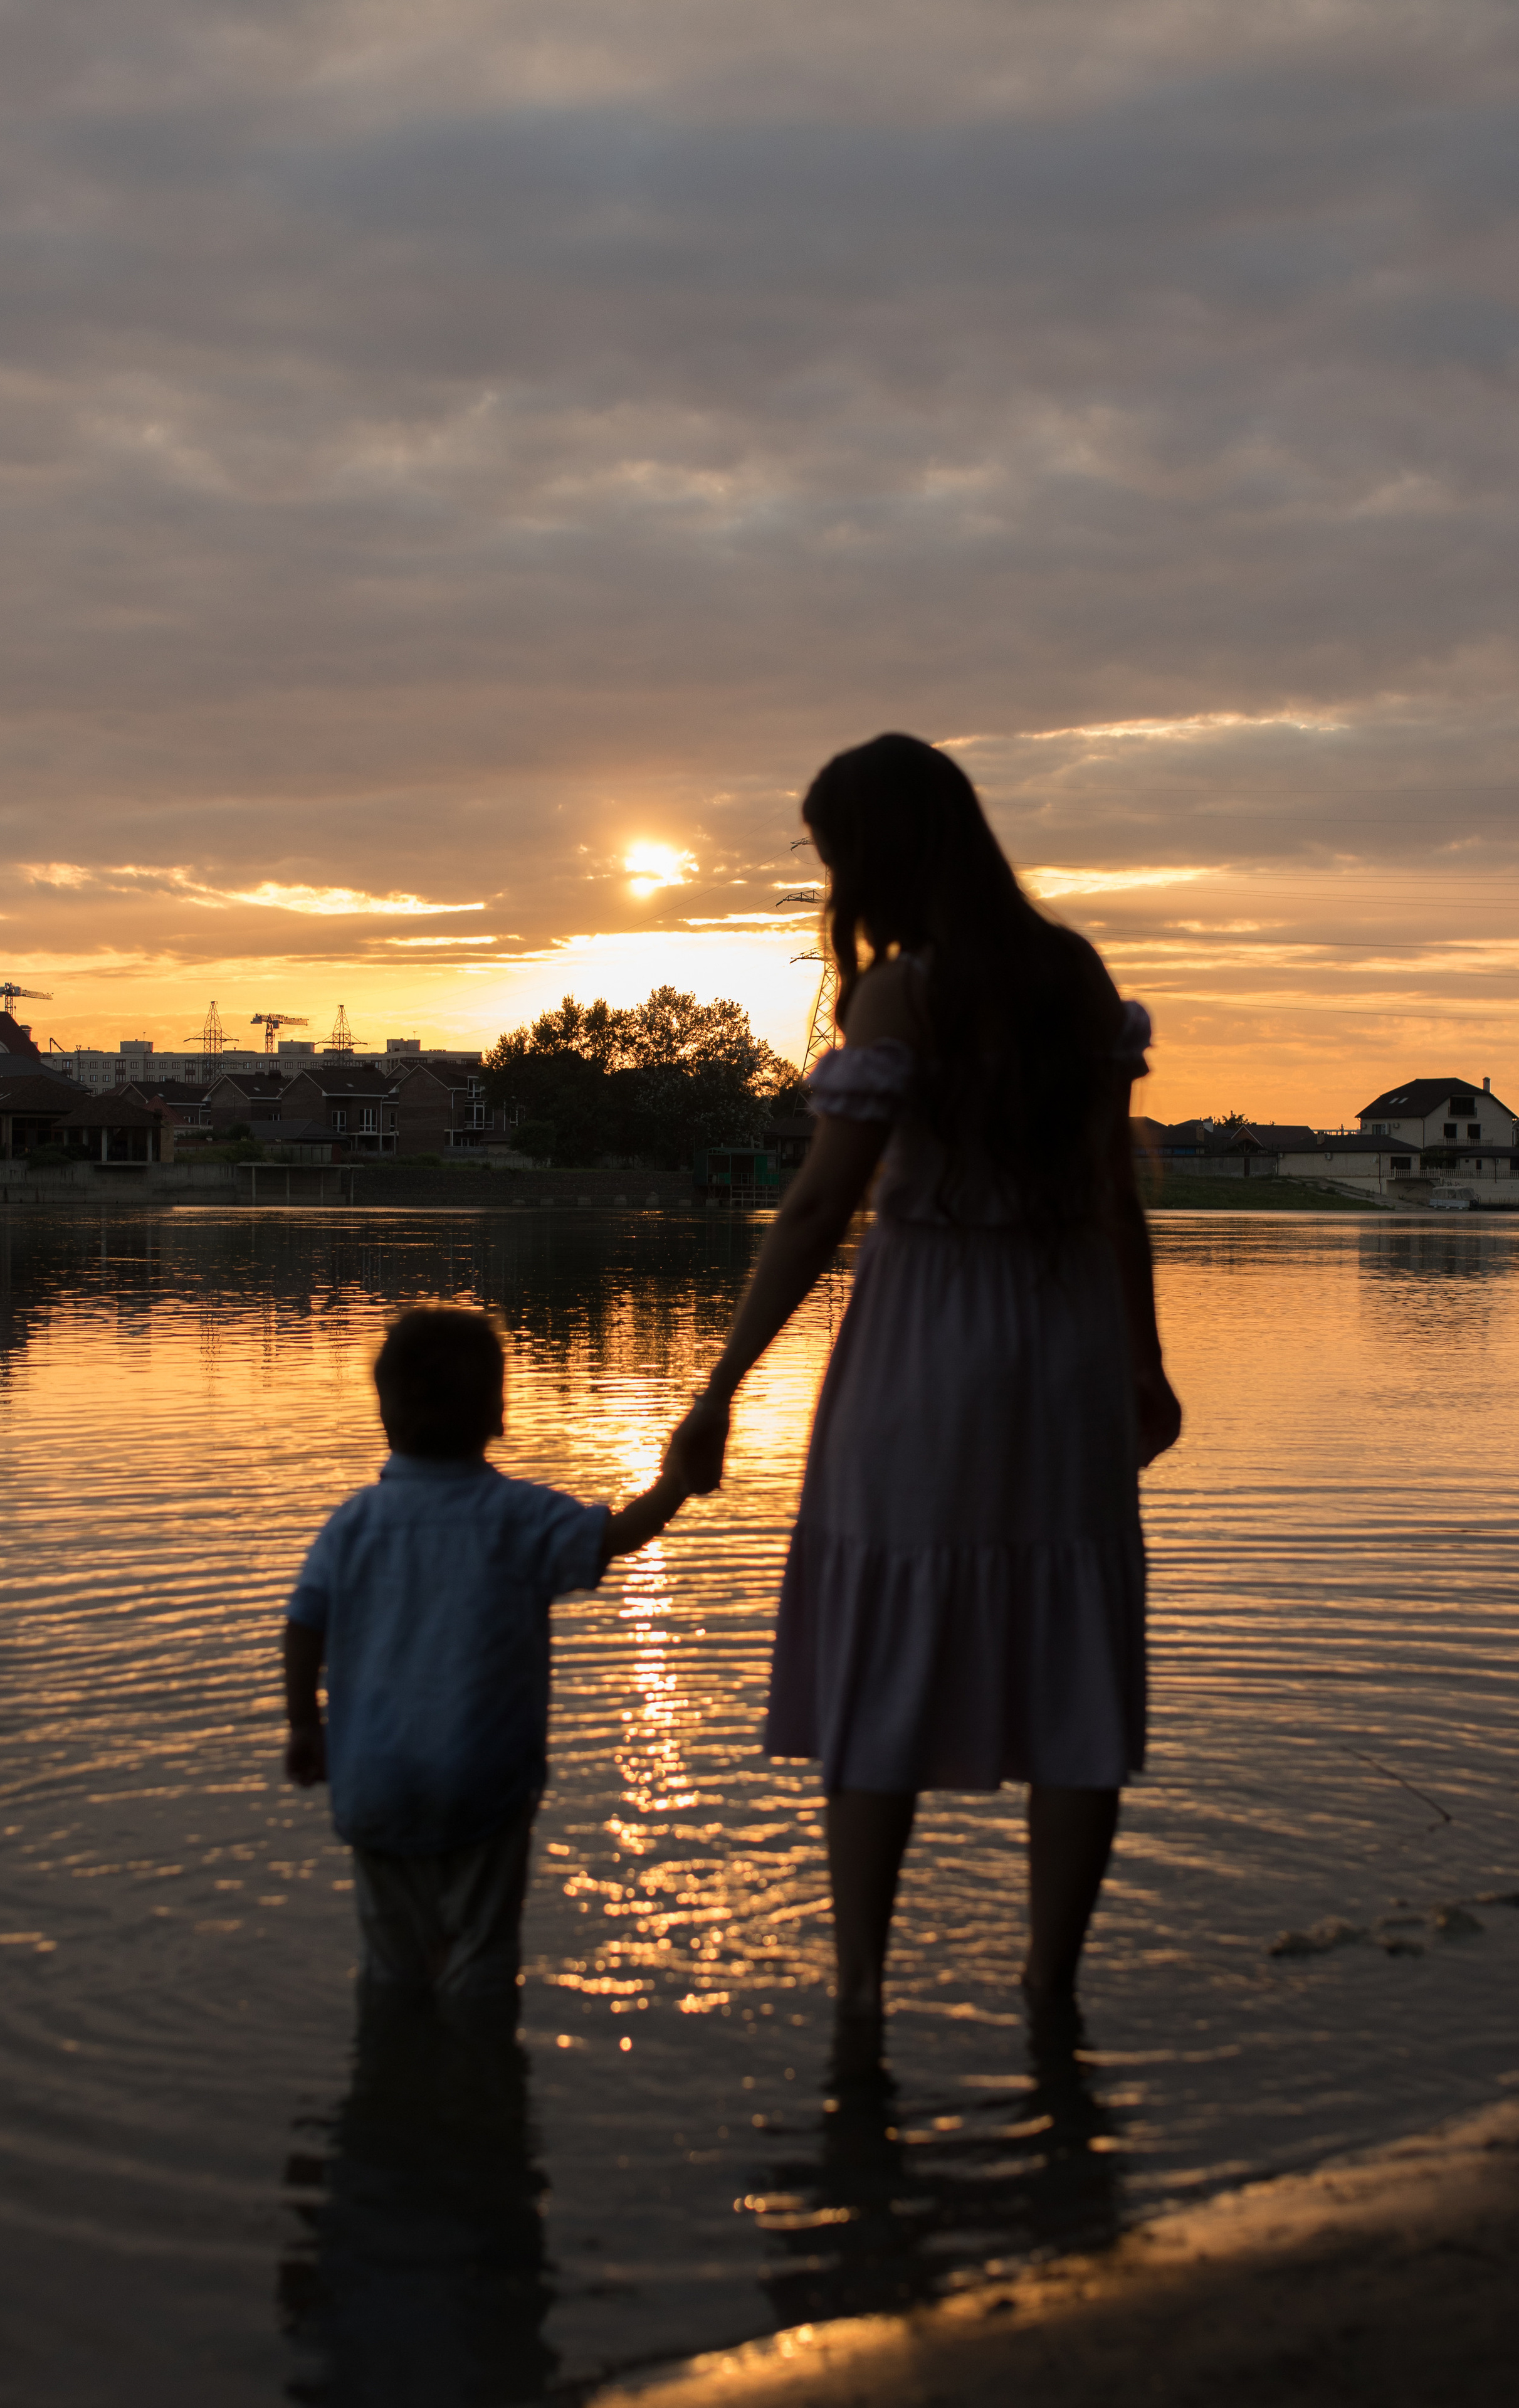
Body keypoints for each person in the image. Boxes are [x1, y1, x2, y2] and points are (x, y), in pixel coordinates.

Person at [670, 732, 1180, 2043]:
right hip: (1063, 1339)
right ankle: (1049, 1996)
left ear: (875, 857)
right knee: (1071, 1652)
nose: (831, 883)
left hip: (926, 1339)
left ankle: (859, 2000)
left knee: (884, 1640)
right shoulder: (1073, 976)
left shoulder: (899, 994)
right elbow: (1116, 1202)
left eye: (832, 857)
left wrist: (721, 1386)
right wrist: (1142, 1361)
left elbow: (816, 1208)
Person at [282, 1304, 687, 2012]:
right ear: (499, 1413)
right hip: (483, 1780)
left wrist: (304, 1726)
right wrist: (677, 1480)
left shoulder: (352, 1525)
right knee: (481, 1962)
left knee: (392, 1969)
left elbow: (303, 1625)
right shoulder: (521, 1517)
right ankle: (482, 2066)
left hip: (375, 1779)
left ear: (385, 1415)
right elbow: (618, 1536)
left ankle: (395, 2067)